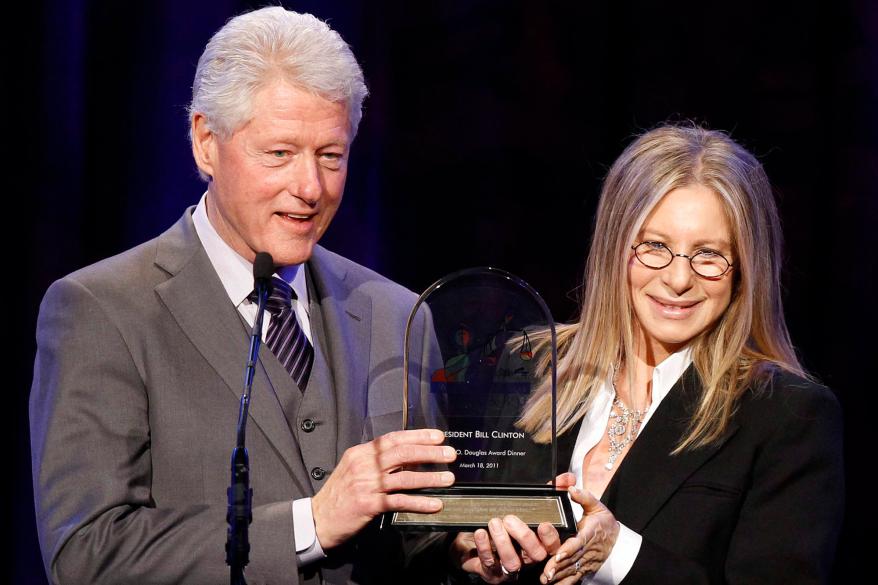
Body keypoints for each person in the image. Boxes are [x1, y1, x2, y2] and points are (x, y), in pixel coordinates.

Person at [30, 7, 456, 585]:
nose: (310, 188)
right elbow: (88, 555)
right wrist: (310, 524)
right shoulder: (103, 311)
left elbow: (421, 543)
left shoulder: (399, 315)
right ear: (207, 142)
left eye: (331, 156)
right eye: (279, 153)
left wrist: (475, 558)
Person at [450, 125, 844, 584]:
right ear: (615, 247)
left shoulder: (787, 415)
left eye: (709, 254)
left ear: (744, 271)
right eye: (655, 246)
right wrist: (468, 552)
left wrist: (616, 554)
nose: (679, 279)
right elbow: (467, 533)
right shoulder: (532, 363)